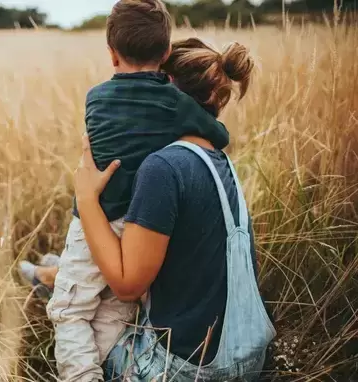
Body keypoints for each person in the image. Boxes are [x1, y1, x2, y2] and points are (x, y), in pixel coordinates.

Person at [25, 38, 276, 380]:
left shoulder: (164, 167)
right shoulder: (219, 160)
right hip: (244, 358)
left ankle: (54, 280)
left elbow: (129, 286)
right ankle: (54, 274)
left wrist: (85, 198)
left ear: (167, 90)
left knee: (86, 313)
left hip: (183, 371)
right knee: (88, 276)